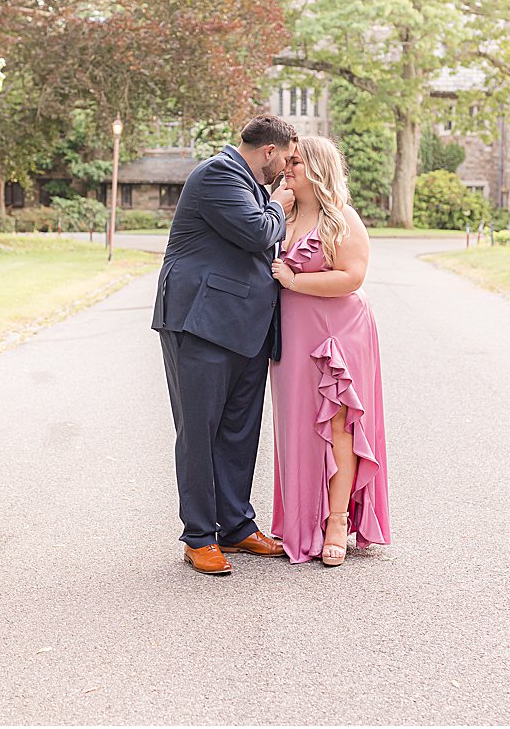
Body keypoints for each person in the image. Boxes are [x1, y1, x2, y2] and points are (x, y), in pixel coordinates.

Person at [152, 115, 298, 576]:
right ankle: (198, 536)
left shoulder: (250, 183)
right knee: (200, 431)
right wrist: (278, 204)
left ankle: (235, 526)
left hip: (245, 327)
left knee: (238, 431)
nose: (289, 170)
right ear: (269, 152)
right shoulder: (218, 174)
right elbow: (258, 232)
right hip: (200, 322)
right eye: (288, 159)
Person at [268, 135, 391, 566]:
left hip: (339, 332)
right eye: (288, 161)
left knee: (339, 425)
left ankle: (337, 520)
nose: (288, 168)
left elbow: (352, 277)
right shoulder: (280, 214)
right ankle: (302, 523)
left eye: (297, 162)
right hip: (293, 335)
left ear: (318, 168)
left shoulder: (342, 218)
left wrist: (294, 281)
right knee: (298, 428)